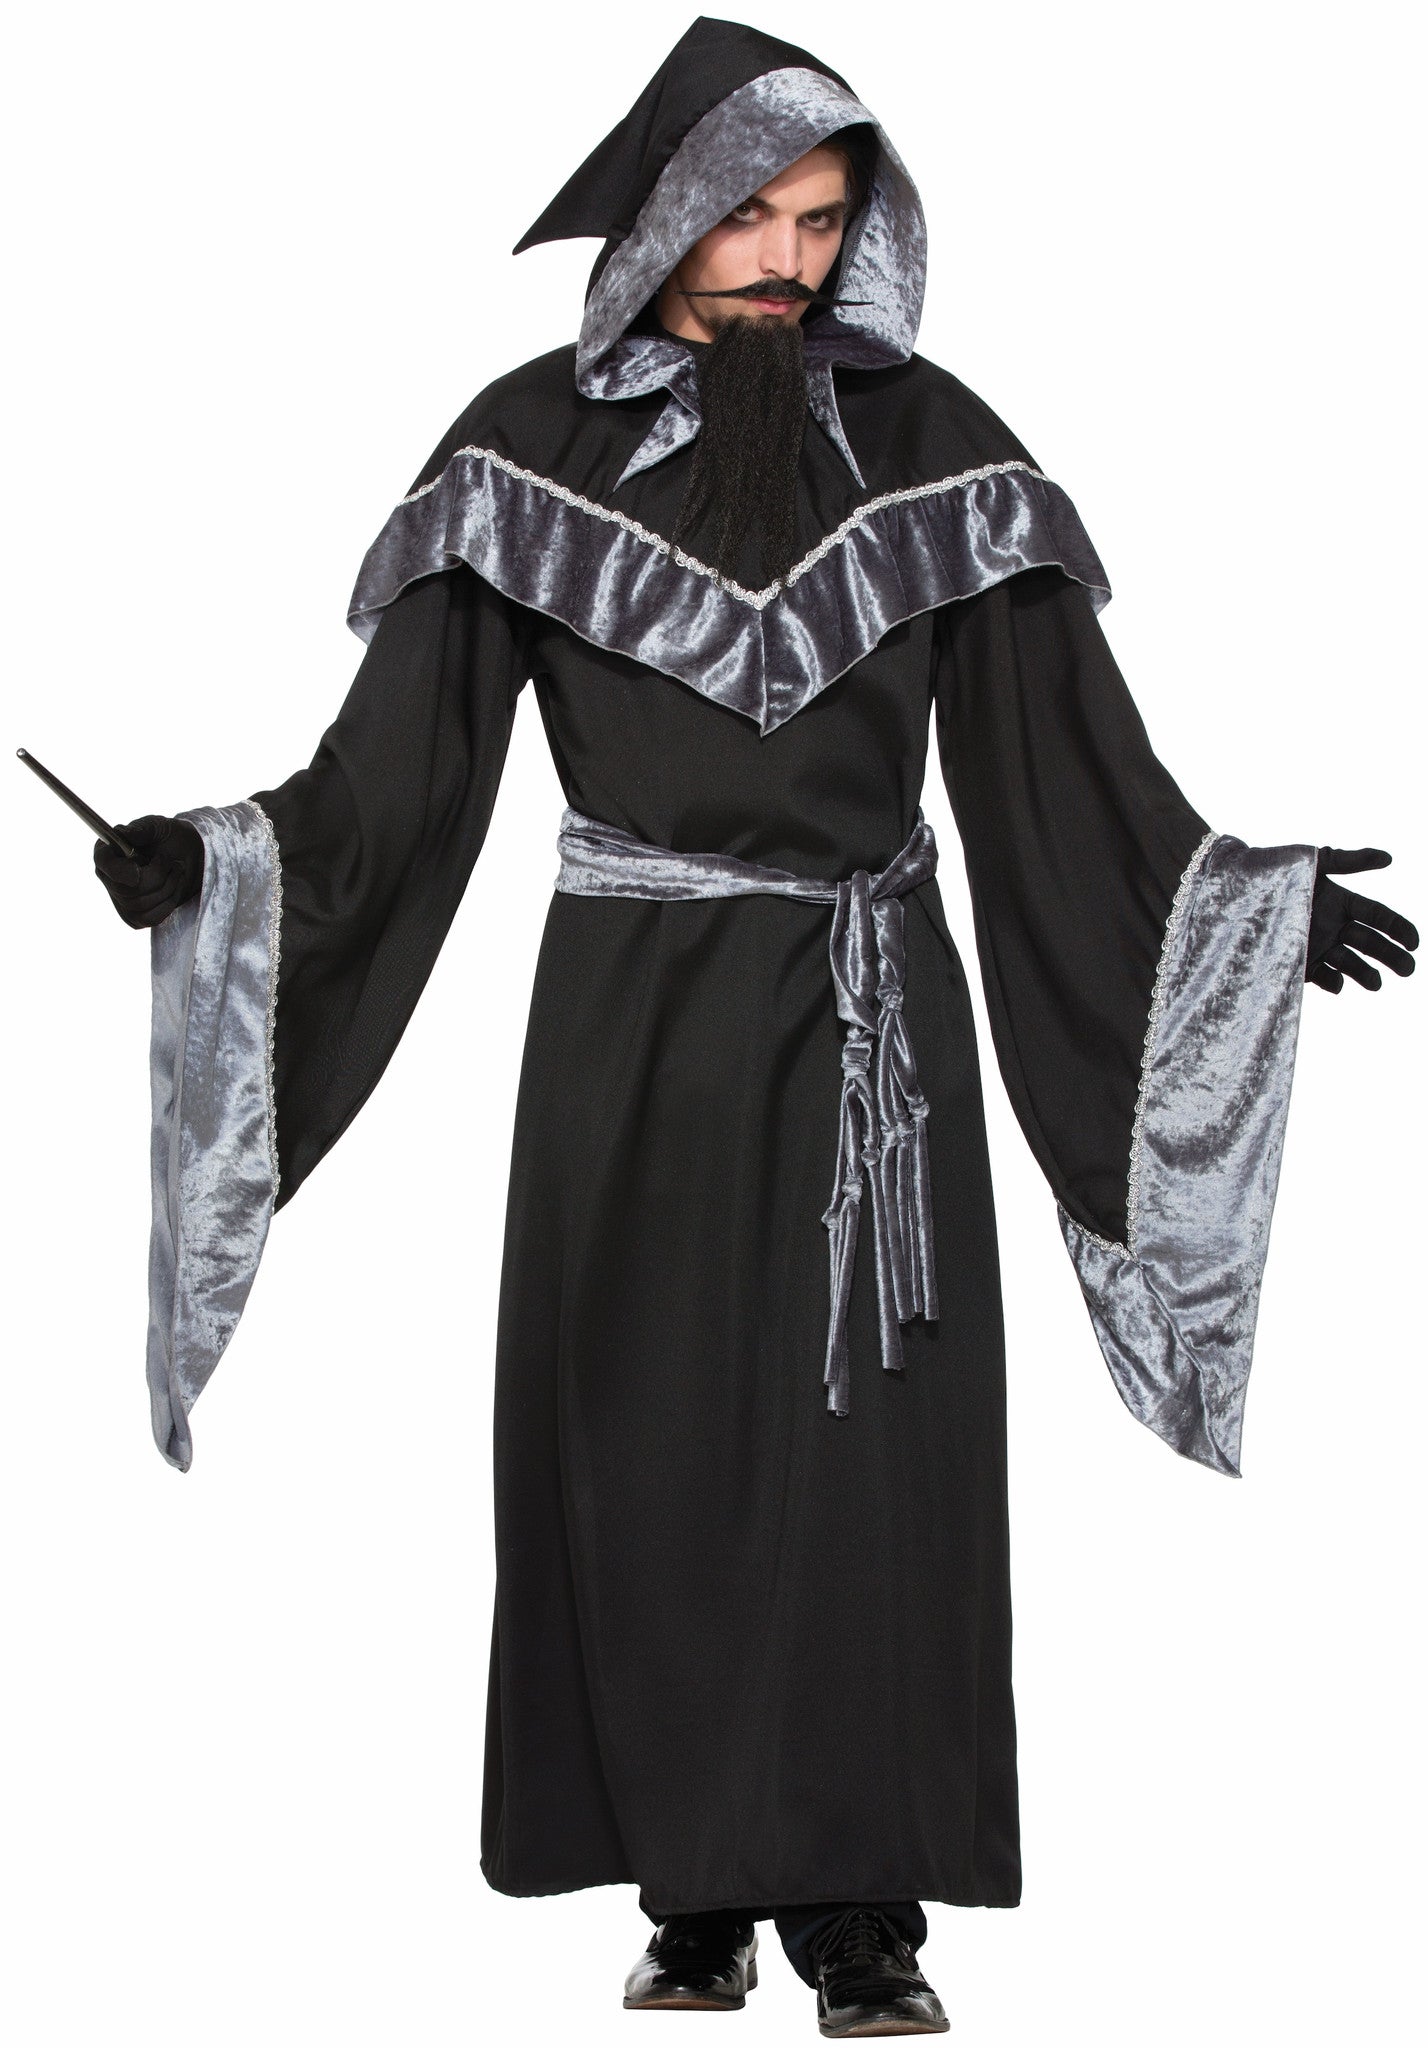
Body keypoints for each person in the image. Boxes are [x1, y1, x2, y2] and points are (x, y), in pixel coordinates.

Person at [91, 16, 1416, 2041]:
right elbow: (390, 782)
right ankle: (693, 1890)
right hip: (631, 1034)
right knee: (644, 1442)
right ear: (662, 225)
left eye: (822, 220)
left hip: (875, 1027)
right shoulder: (521, 456)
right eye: (749, 221)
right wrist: (212, 864)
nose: (788, 262)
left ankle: (863, 1913)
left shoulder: (939, 449)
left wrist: (1234, 907)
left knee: (873, 1455)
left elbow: (1065, 773)